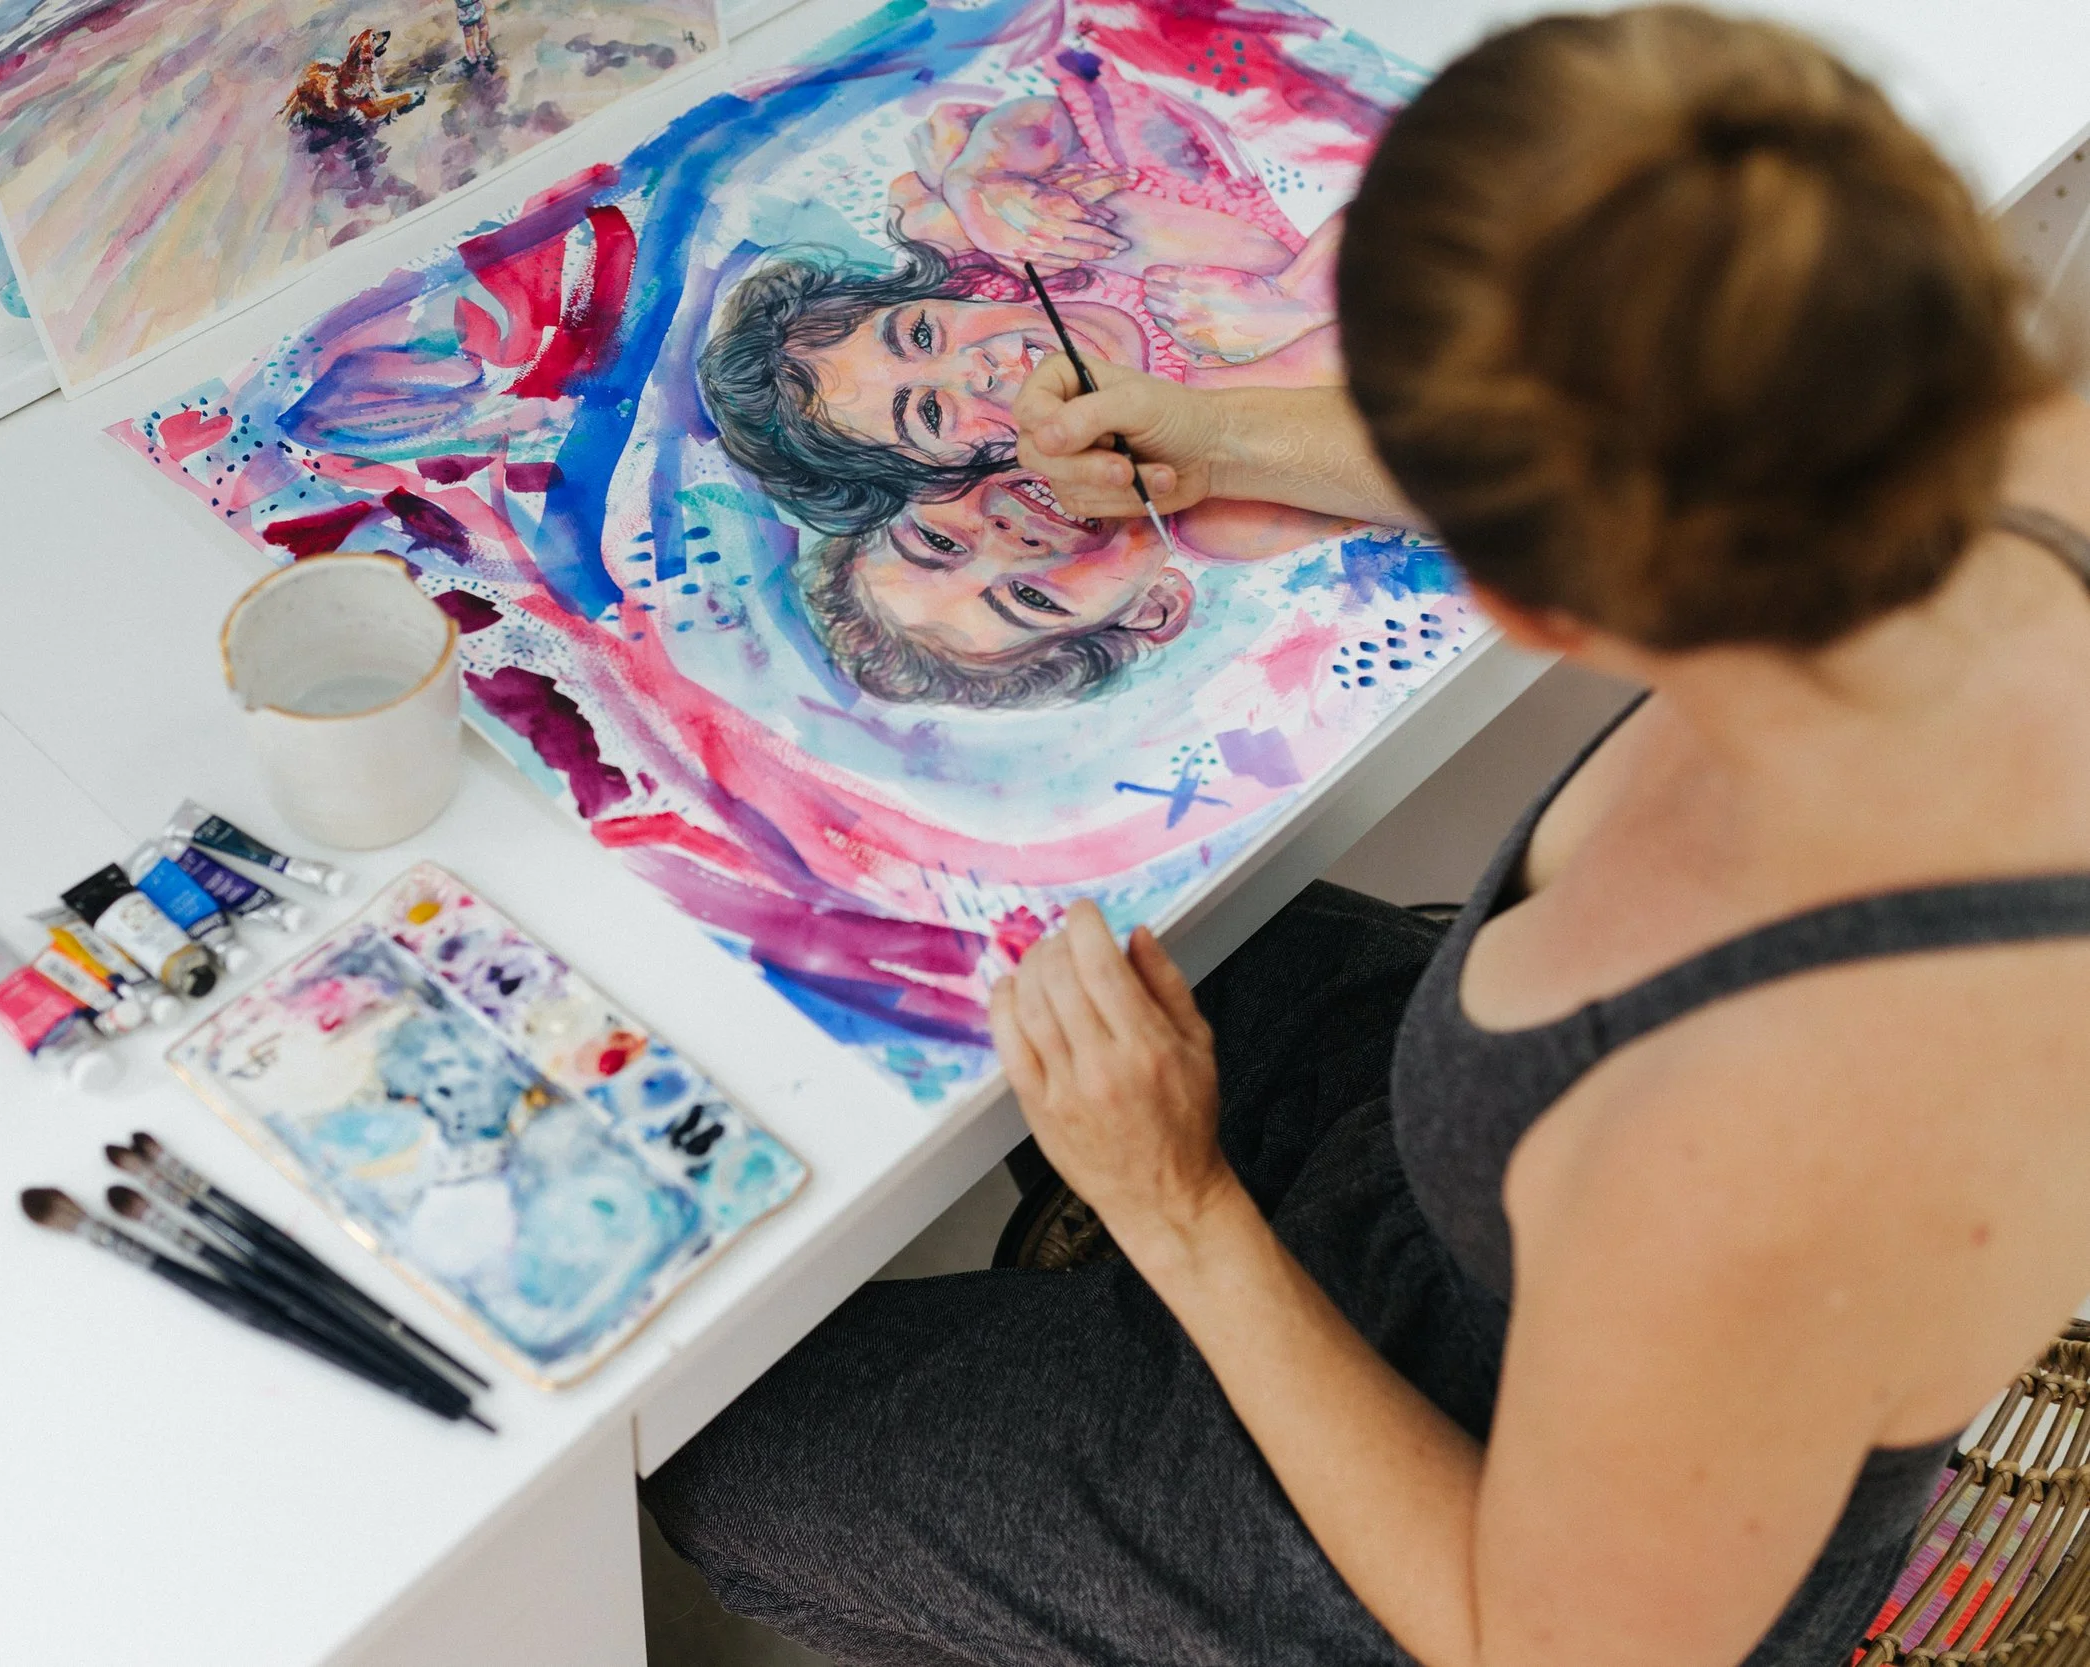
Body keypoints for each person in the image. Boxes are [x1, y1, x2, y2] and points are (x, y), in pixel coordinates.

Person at [642, 9, 2090, 1666]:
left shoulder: (1775, 1126)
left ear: (1529, 589)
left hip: (1506, 1527)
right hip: (1476, 1180)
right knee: (1083, 959)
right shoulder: (1968, 462)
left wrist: (1181, 1210)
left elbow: (1541, 1640)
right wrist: (1224, 431)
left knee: (732, 1448)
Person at [700, 65, 1346, 536]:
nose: (972, 370)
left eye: (922, 335)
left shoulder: (1007, 241)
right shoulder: (1177, 442)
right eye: (928, 412)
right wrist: (1298, 306)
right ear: (951, 475)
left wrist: (978, 177)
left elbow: (1061, 107)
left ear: (939, 293)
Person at [798, 469, 1359, 709]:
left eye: (938, 542)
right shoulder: (1258, 522)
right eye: (1032, 599)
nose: (1010, 540)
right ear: (1153, 610)